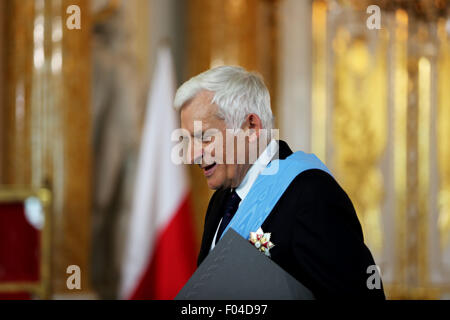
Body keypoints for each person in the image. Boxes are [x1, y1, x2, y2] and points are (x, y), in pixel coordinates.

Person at [174, 65, 385, 299]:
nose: (192, 155)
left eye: (204, 138)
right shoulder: (221, 202)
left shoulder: (311, 195)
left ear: (251, 127)